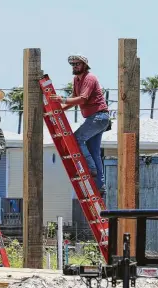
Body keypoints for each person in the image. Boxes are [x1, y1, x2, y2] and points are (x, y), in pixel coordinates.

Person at [50, 54, 110, 195]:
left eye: (77, 63)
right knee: (94, 151)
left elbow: (82, 99)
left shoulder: (89, 78)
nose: (75, 66)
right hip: (95, 118)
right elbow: (74, 99)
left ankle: (90, 168)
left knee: (76, 139)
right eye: (73, 64)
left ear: (84, 65)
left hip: (98, 117)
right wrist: (59, 110)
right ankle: (100, 185)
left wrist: (61, 100)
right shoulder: (77, 79)